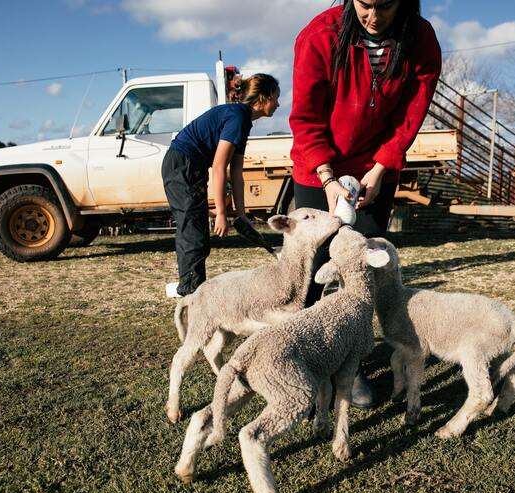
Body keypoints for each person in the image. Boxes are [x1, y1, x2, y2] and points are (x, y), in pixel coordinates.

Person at [289, 0, 442, 407]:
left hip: (375, 169)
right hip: (319, 166)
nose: (373, 17)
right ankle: (304, 361)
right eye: (364, 4)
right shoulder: (318, 36)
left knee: (361, 266)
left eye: (386, 5)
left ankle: (349, 363)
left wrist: (381, 167)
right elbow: (305, 118)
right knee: (317, 264)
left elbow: (411, 112)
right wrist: (326, 178)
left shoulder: (421, 39)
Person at [162, 73, 280, 297]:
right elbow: (218, 167)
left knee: (196, 231)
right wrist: (222, 213)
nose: (278, 104)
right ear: (263, 98)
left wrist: (242, 214)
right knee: (193, 232)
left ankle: (189, 288)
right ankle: (189, 292)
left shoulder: (243, 121)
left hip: (188, 165)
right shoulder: (237, 117)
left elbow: (236, 171)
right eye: (276, 97)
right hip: (182, 164)